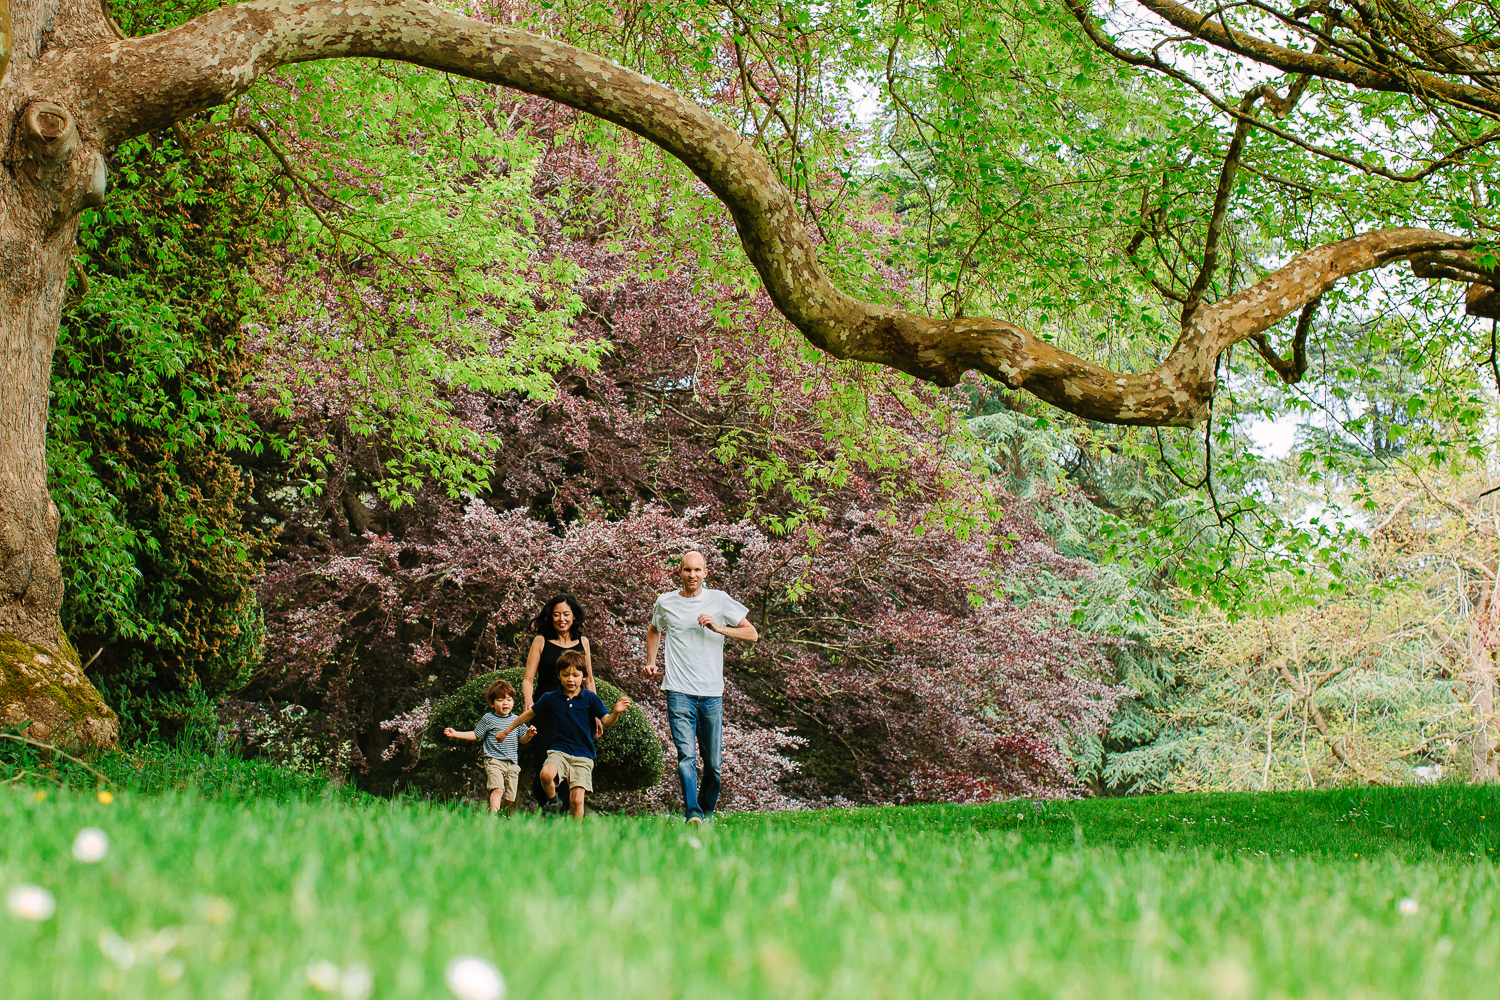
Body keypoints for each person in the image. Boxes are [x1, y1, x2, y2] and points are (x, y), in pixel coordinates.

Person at [644, 549, 758, 825]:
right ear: (679, 572)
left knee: (714, 766)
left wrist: (718, 628)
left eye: (697, 570)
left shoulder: (719, 600)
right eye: (687, 570)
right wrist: (650, 661)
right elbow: (654, 629)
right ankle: (692, 813)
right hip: (678, 690)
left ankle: (706, 813)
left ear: (706, 573)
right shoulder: (666, 602)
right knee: (686, 755)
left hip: (711, 694)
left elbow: (751, 634)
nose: (692, 575)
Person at [492, 649, 631, 819]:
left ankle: (576, 836)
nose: (570, 679)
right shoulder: (551, 697)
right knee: (546, 774)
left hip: (583, 755)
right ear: (558, 676)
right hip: (560, 751)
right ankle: (553, 800)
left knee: (577, 800)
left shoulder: (591, 698)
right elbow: (529, 714)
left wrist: (616, 712)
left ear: (584, 677)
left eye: (575, 675)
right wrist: (507, 730)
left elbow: (607, 721)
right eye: (566, 675)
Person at [520, 594, 600, 805]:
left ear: (574, 617)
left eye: (566, 614)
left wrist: (598, 714)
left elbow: (589, 680)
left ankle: (568, 814)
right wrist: (529, 701)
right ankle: (548, 807)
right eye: (556, 615)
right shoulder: (541, 641)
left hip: (578, 710)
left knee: (574, 760)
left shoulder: (583, 642)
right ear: (550, 617)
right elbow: (528, 679)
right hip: (546, 707)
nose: (561, 619)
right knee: (545, 760)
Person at [442, 679, 536, 816]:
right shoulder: (488, 719)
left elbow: (522, 740)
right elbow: (475, 735)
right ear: (492, 703)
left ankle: (497, 812)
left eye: (509, 700)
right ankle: (493, 816)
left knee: (510, 798)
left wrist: (529, 735)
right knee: (497, 789)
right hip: (494, 761)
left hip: (512, 764)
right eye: (500, 700)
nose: (505, 703)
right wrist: (456, 734)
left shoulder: (516, 720)